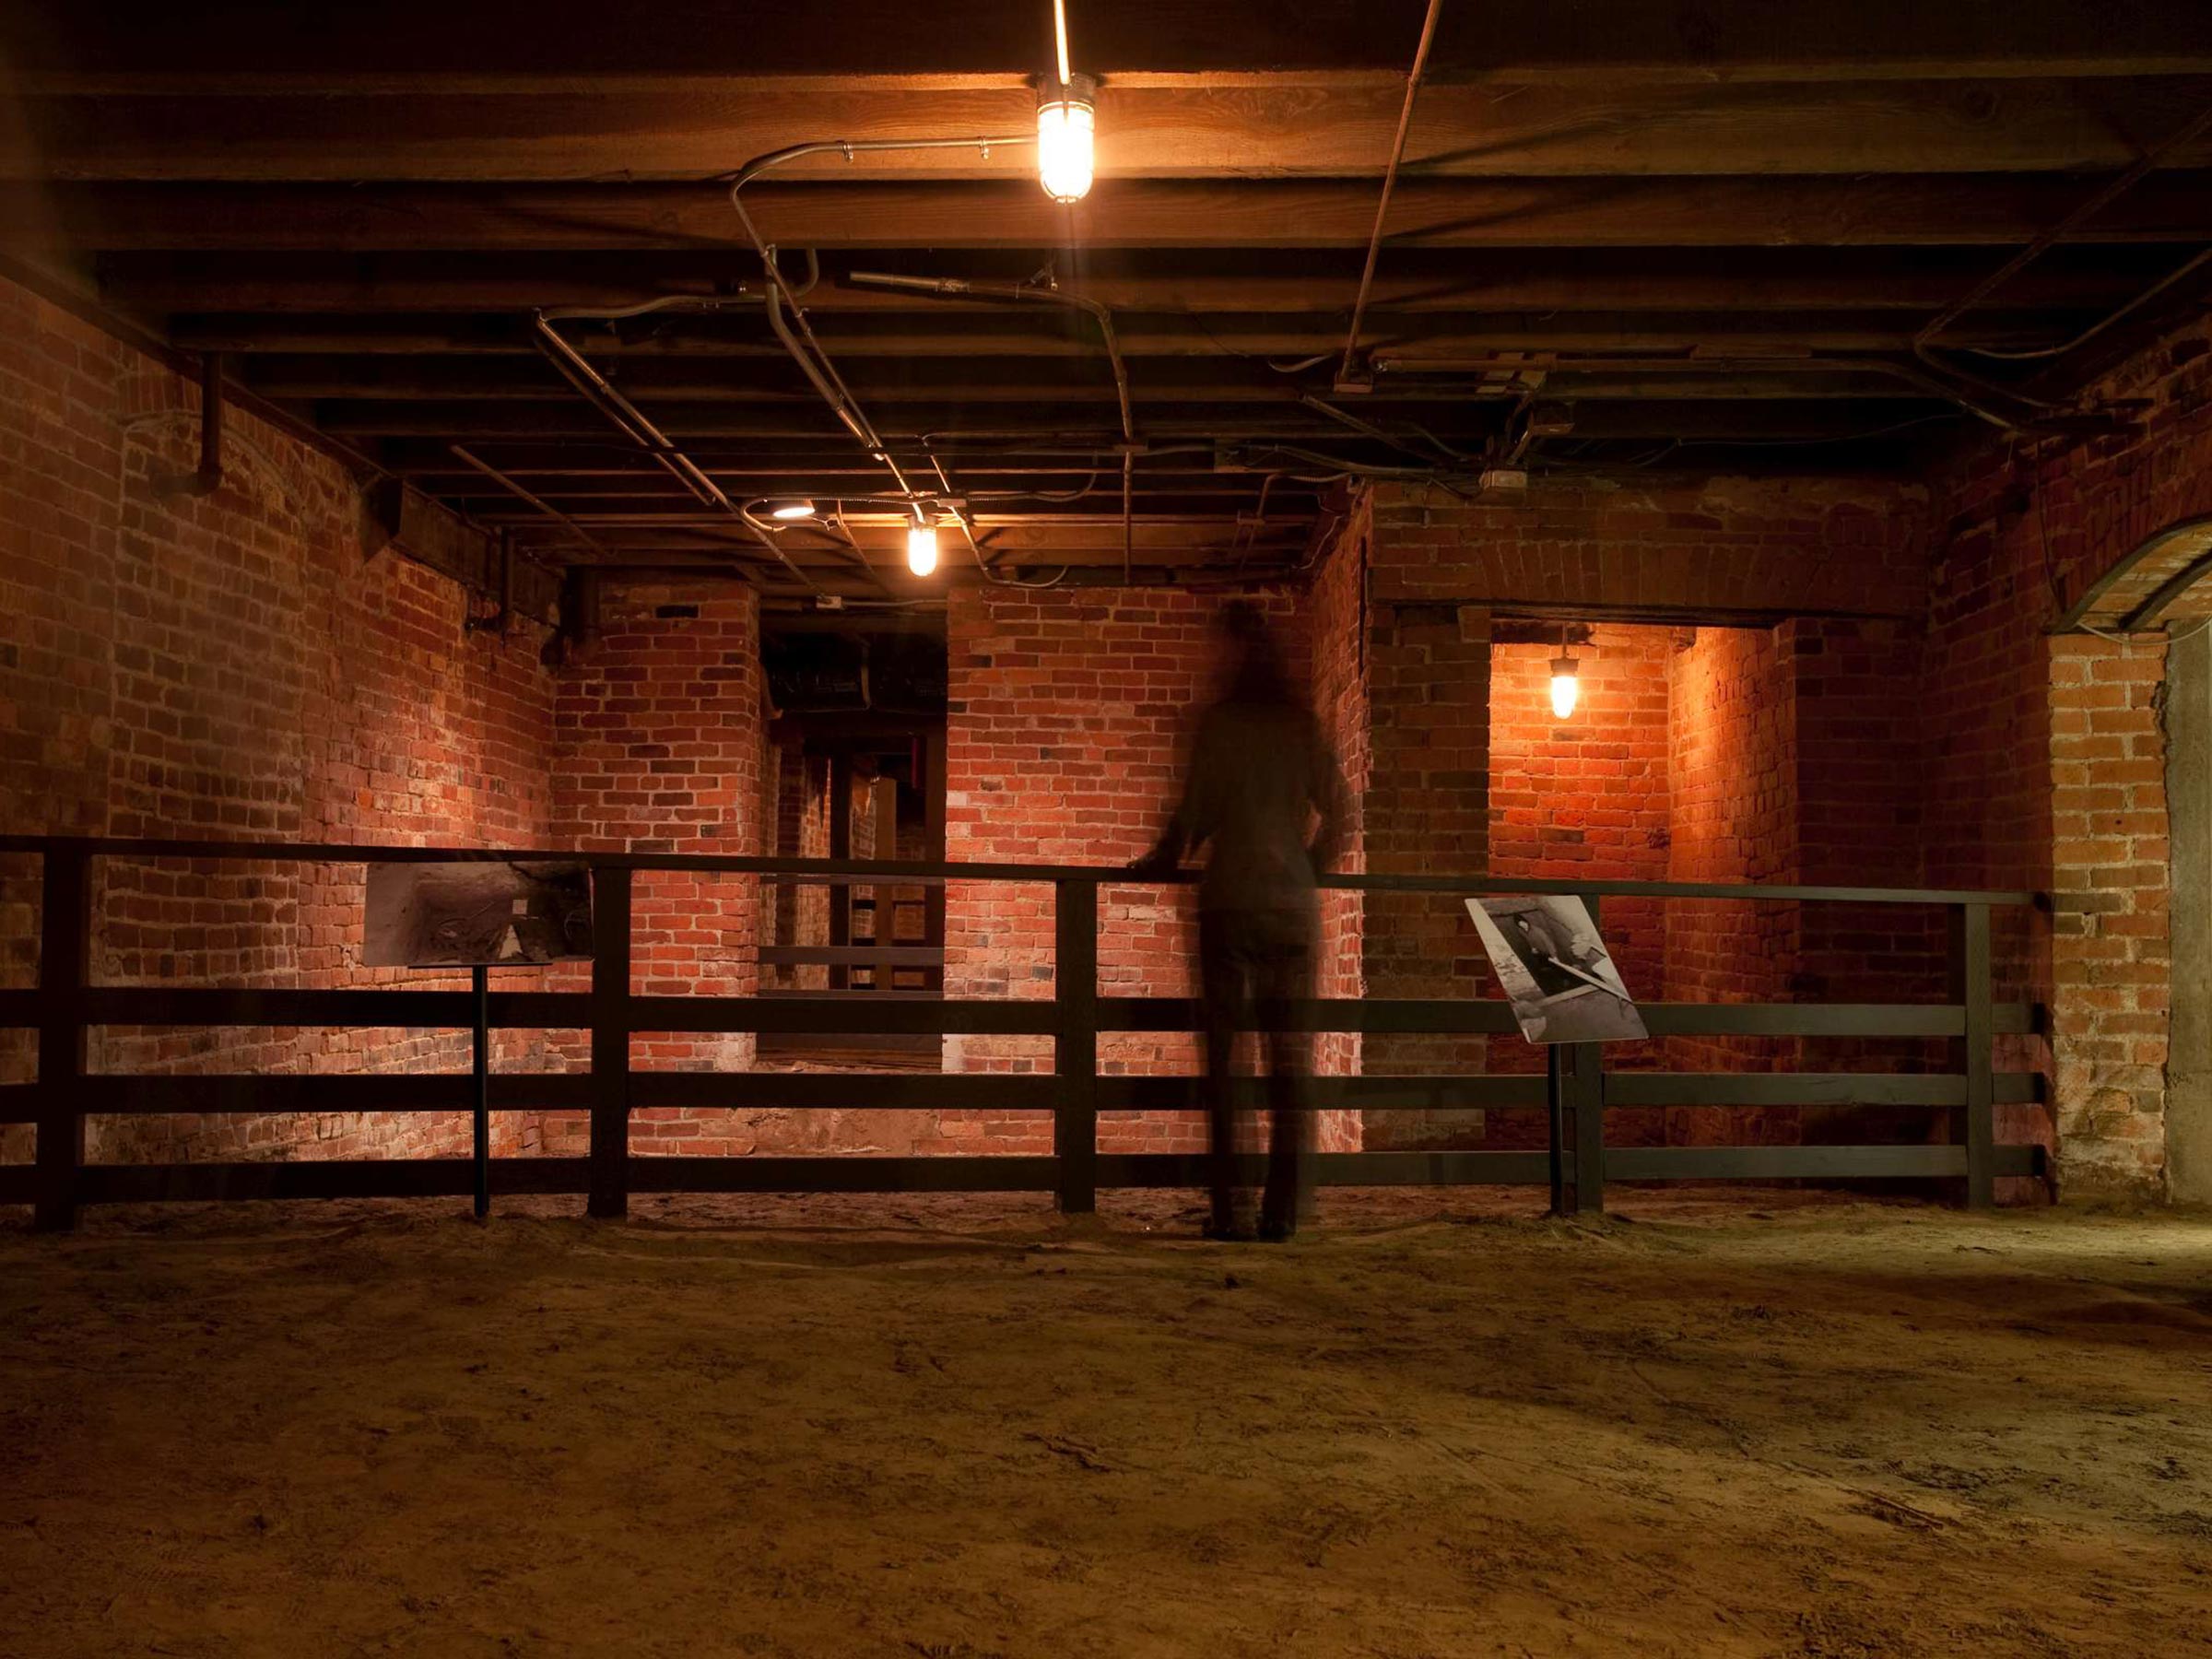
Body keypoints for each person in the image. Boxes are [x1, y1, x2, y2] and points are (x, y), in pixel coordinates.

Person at [1130, 601, 1347, 1241]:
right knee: (1290, 1067)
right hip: (1291, 909)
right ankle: (1282, 1215)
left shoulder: (1219, 725)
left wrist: (1157, 862)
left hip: (1229, 904)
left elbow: (1190, 819)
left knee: (1227, 1068)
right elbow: (1342, 812)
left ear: (1230, 650)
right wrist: (1308, 871)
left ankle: (1232, 1211)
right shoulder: (1300, 724)